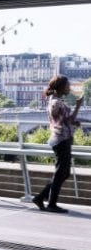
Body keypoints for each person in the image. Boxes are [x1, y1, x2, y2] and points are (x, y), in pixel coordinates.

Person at [32, 75, 84, 213]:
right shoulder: (57, 103)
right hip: (62, 140)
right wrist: (78, 106)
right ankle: (51, 204)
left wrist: (73, 121)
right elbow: (68, 119)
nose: (69, 88)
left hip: (60, 138)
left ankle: (40, 198)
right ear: (61, 87)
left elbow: (64, 120)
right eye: (67, 86)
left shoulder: (54, 100)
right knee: (60, 173)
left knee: (64, 173)